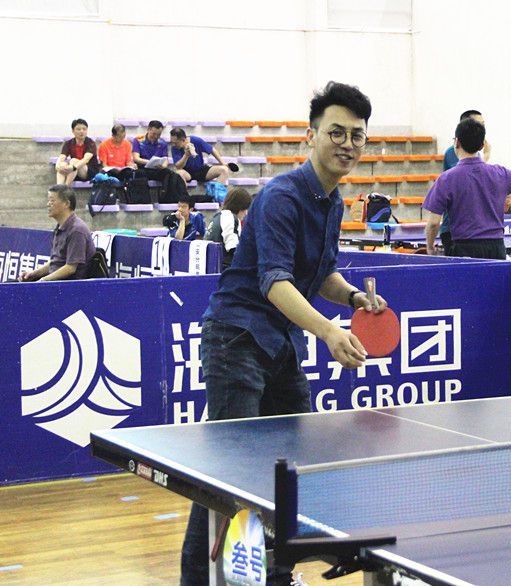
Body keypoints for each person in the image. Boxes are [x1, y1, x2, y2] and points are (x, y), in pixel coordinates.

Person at [180, 81, 387, 586]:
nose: (347, 144)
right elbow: (275, 281)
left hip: (281, 344)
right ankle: (198, 580)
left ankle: (277, 575)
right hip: (237, 338)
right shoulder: (281, 197)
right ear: (311, 136)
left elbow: (319, 274)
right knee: (231, 473)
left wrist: (354, 299)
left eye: (356, 135)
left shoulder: (333, 202)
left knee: (290, 468)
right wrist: (328, 331)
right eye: (336, 132)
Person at [423, 117, 511, 259]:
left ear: (456, 143)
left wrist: (430, 247)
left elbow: (434, 223)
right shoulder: (501, 173)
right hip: (496, 249)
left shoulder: (446, 179)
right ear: (482, 146)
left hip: (464, 250)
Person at [439, 110, 491, 254]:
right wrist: (486, 156)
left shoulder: (476, 154)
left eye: (483, 125)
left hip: (473, 229)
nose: (482, 129)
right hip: (453, 229)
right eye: (478, 124)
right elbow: (464, 175)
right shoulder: (453, 152)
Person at [18, 185, 96, 281]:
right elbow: (55, 263)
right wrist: (33, 274)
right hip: (53, 281)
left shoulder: (77, 230)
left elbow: (70, 268)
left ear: (66, 204)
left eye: (52, 201)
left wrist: (43, 281)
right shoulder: (60, 227)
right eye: (48, 201)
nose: (48, 204)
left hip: (66, 285)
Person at [132, 120, 187, 203]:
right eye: (154, 134)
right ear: (148, 130)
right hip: (143, 168)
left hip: (156, 168)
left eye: (158, 134)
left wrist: (164, 165)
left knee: (171, 174)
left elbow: (165, 159)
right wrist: (149, 162)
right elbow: (136, 158)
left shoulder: (162, 143)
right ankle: (144, 200)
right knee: (140, 174)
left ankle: (169, 198)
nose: (156, 136)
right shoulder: (138, 140)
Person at [203, 187, 253, 268]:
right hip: (222, 267)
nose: (246, 213)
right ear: (241, 206)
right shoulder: (230, 217)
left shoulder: (218, 216)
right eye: (246, 209)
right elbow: (233, 248)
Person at [55, 118, 102, 185]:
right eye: (78, 129)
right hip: (74, 172)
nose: (81, 131)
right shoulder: (69, 143)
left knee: (73, 161)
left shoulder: (90, 143)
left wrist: (73, 167)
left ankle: (66, 186)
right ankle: (59, 187)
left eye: (84, 129)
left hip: (88, 172)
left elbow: (86, 159)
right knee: (62, 165)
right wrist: (58, 165)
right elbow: (62, 156)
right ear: (73, 131)